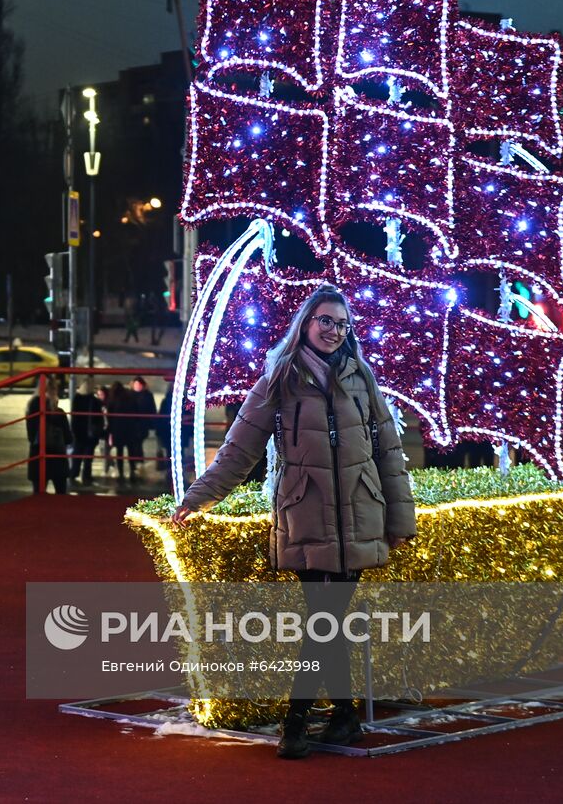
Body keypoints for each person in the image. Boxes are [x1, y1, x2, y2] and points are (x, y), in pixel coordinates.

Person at [171, 285, 416, 760]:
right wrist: (197, 498)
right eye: (326, 320)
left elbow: (389, 452)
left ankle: (310, 723)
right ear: (306, 322)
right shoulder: (279, 379)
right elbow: (239, 451)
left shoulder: (360, 377)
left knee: (327, 623)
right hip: (304, 513)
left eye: (342, 324)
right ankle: (323, 721)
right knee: (326, 624)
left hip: (360, 513)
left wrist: (399, 518)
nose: (334, 331)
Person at [26, 381, 73, 495]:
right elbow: (68, 438)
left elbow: (31, 437)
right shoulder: (59, 413)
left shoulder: (32, 410)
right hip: (57, 458)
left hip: (38, 456)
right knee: (61, 494)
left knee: (38, 494)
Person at [70, 380, 104, 486]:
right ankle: (86, 475)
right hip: (91, 433)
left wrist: (74, 431)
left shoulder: (77, 398)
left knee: (77, 455)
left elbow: (74, 417)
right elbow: (99, 418)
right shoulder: (95, 401)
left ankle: (74, 473)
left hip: (79, 432)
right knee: (88, 457)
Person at [128, 376, 157, 480]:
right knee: (134, 444)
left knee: (137, 443)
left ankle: (137, 462)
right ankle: (136, 463)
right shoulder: (129, 395)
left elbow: (152, 410)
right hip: (132, 424)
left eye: (139, 384)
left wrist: (152, 423)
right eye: (136, 384)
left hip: (141, 424)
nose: (137, 386)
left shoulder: (146, 395)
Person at [106, 380, 133, 479]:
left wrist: (110, 430)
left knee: (119, 451)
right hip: (129, 428)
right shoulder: (129, 398)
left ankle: (121, 472)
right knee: (131, 451)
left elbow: (109, 416)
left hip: (117, 428)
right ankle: (132, 470)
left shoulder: (112, 399)